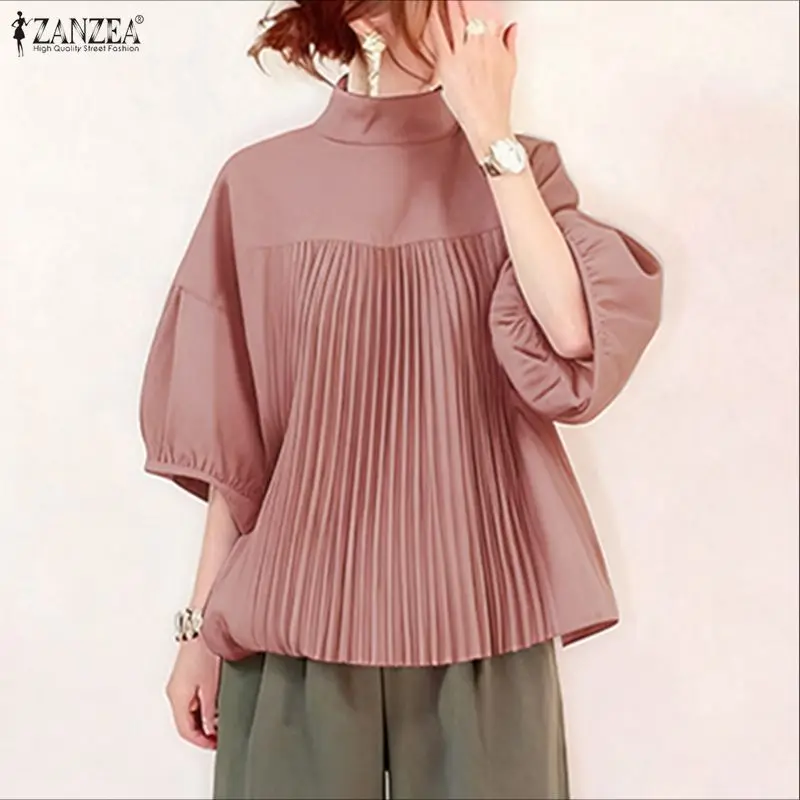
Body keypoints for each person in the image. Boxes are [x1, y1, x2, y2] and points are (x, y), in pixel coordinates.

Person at [138, 1, 664, 798]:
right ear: (368, 21)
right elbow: (237, 449)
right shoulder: (259, 185)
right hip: (296, 621)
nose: (488, 12)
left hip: (484, 611)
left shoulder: (520, 172)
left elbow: (572, 336)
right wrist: (197, 627)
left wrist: (491, 136)